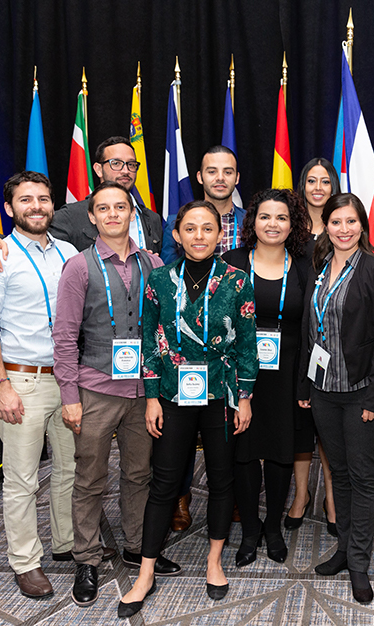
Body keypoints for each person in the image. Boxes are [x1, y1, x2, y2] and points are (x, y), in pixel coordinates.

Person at [118, 200, 257, 617]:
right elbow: (148, 340)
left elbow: (248, 343)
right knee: (163, 483)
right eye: (190, 229)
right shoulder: (158, 280)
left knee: (220, 478)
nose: (199, 236)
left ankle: (214, 561)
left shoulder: (237, 281)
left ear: (220, 235)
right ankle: (145, 572)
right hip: (173, 396)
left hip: (221, 395)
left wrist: (245, 395)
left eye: (208, 229)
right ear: (177, 236)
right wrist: (152, 396)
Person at [52, 182, 178, 608]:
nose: (111, 215)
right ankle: (86, 559)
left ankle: (137, 546)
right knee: (89, 479)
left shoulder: (154, 262)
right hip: (95, 391)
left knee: (139, 475)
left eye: (119, 207)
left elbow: (162, 329)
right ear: (92, 217)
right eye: (102, 209)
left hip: (143, 393)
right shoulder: (79, 267)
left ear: (131, 213)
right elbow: (65, 336)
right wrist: (70, 395)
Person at [0, 172, 78, 599]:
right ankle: (25, 561)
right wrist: (1, 385)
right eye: (26, 200)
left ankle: (66, 543)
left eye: (44, 199)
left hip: (66, 381)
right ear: (11, 207)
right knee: (22, 479)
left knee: (70, 470)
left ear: (54, 206)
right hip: (21, 381)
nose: (37, 206)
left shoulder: (68, 252)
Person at [298, 193, 374, 604]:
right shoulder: (319, 269)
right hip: (324, 392)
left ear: (362, 226)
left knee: (362, 476)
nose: (343, 229)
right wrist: (306, 388)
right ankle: (342, 549)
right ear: (328, 226)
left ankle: (359, 560)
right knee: (337, 474)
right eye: (336, 222)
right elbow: (312, 333)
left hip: (363, 394)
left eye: (351, 222)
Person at [222, 188, 311, 566]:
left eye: (281, 218)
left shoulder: (306, 265)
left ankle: (273, 527)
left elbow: (314, 325)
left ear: (292, 225)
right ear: (252, 221)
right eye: (265, 217)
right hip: (240, 374)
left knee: (279, 452)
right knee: (242, 454)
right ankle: (250, 530)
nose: (272, 224)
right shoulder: (231, 261)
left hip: (287, 373)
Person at [167, 145, 248, 530]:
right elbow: (168, 281)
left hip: (234, 345)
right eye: (211, 171)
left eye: (227, 171)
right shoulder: (181, 220)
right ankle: (180, 498)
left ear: (237, 177)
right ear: (199, 177)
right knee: (179, 433)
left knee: (234, 430)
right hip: (186, 347)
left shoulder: (254, 220)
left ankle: (230, 498)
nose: (220, 178)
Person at [0, 137, 163, 275]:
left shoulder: (151, 218)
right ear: (98, 169)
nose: (125, 170)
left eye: (131, 164)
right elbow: (33, 231)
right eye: (116, 163)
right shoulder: (73, 215)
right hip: (94, 318)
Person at [285, 158, 342, 537]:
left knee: (330, 426)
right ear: (301, 185)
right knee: (300, 423)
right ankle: (302, 495)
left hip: (332, 338)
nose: (318, 187)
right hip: (293, 337)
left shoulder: (342, 225)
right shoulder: (290, 227)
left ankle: (333, 498)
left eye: (325, 181)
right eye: (311, 180)